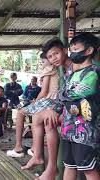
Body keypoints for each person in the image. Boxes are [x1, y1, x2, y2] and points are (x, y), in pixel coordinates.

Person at [21, 38, 73, 180]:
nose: (53, 58)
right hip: (67, 108)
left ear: (64, 50)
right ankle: (41, 159)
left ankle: (49, 167)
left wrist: (56, 110)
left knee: (45, 119)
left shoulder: (75, 67)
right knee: (41, 118)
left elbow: (74, 94)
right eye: (50, 56)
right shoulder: (65, 69)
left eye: (56, 54)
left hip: (77, 113)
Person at [55, 32, 100, 180]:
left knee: (88, 169)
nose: (72, 52)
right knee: (69, 165)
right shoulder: (73, 73)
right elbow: (64, 94)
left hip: (85, 132)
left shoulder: (93, 71)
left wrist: (64, 96)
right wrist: (65, 97)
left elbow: (82, 91)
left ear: (89, 51)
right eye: (71, 49)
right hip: (68, 128)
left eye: (76, 49)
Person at [7, 53, 59, 158]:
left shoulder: (48, 70)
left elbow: (44, 91)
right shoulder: (57, 69)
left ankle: (18, 147)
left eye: (43, 61)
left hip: (49, 100)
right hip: (55, 101)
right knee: (35, 117)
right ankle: (35, 148)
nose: (42, 64)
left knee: (21, 113)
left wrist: (35, 101)